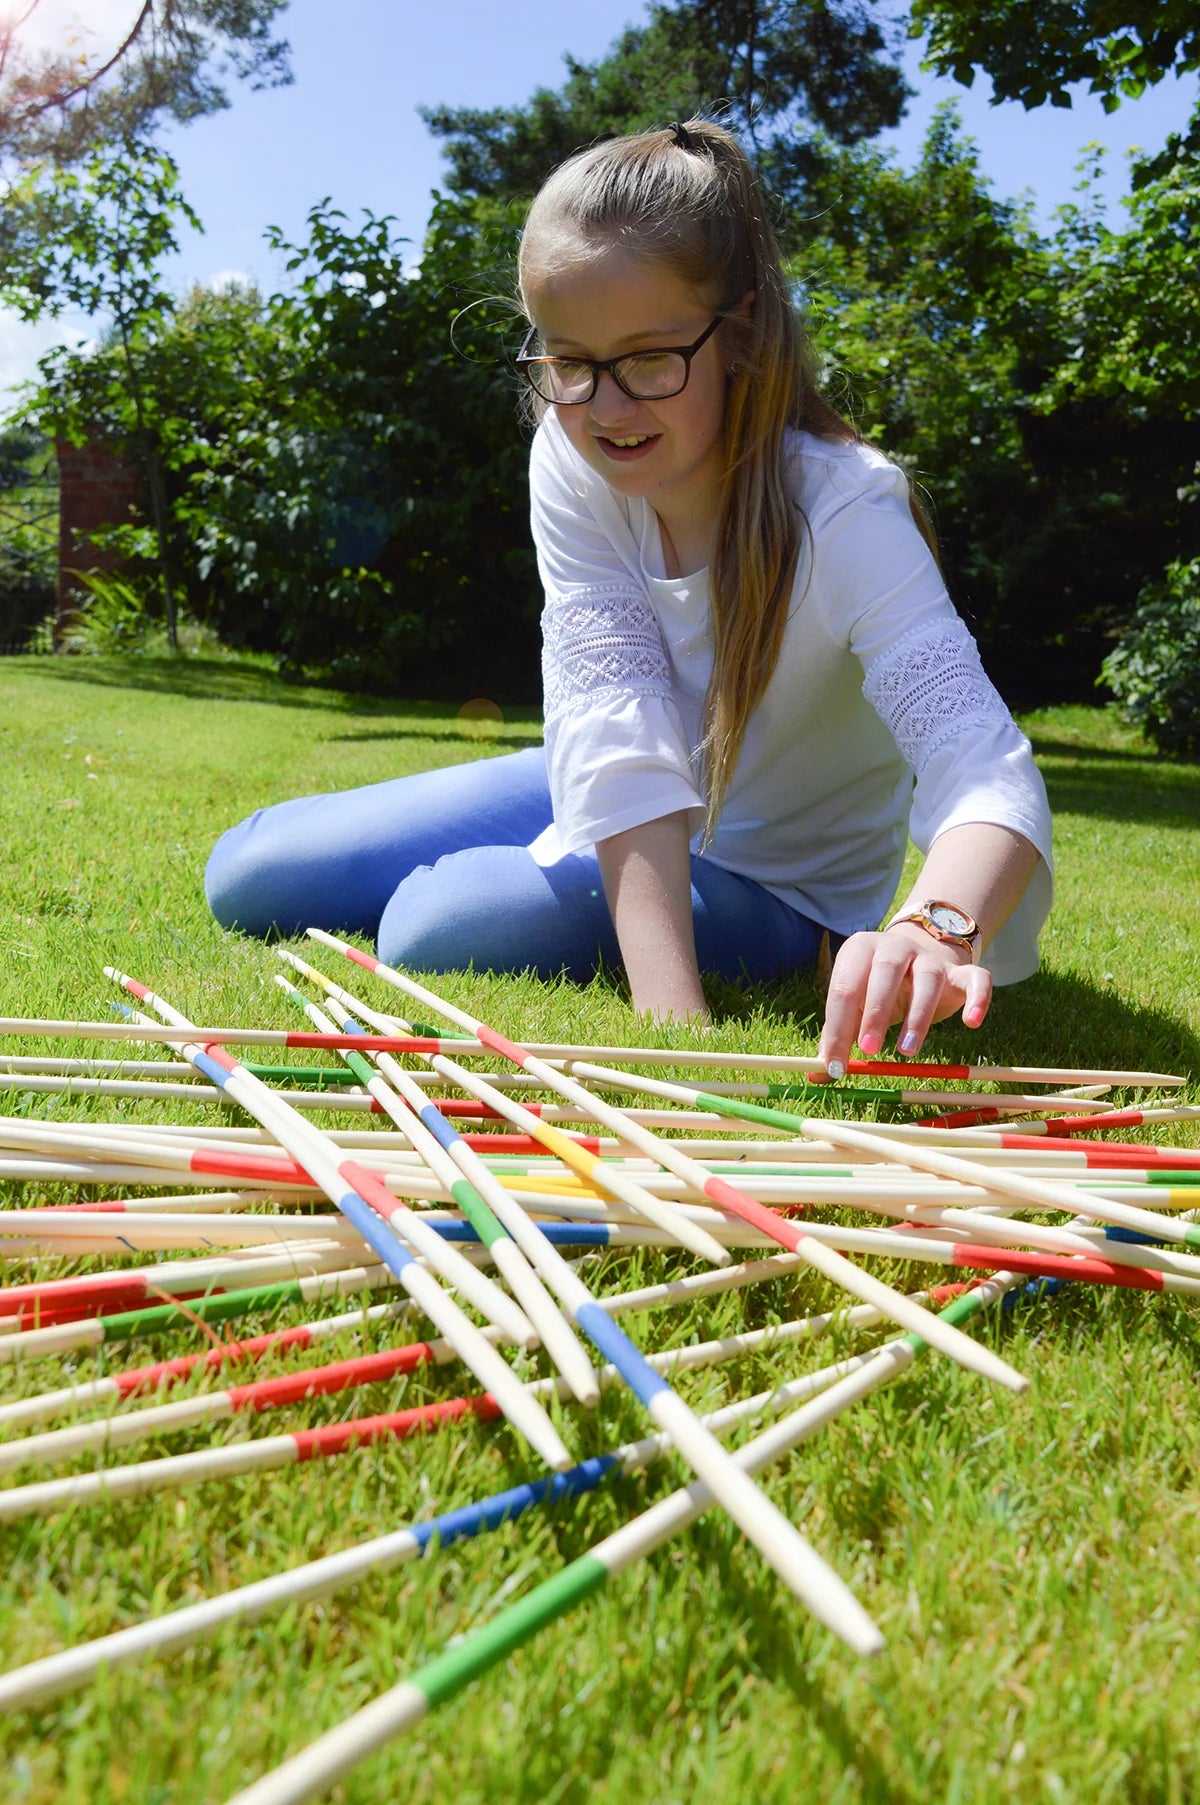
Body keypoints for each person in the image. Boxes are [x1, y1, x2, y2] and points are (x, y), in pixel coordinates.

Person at [205, 118, 1052, 1077]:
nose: (606, 409)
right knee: (249, 875)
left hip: (775, 880)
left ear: (739, 330)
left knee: (434, 923)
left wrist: (934, 931)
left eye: (650, 358)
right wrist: (674, 1010)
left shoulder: (847, 510)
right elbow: (613, 718)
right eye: (568, 362)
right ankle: (552, 848)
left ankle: (785, 936)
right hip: (620, 774)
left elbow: (986, 770)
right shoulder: (569, 459)